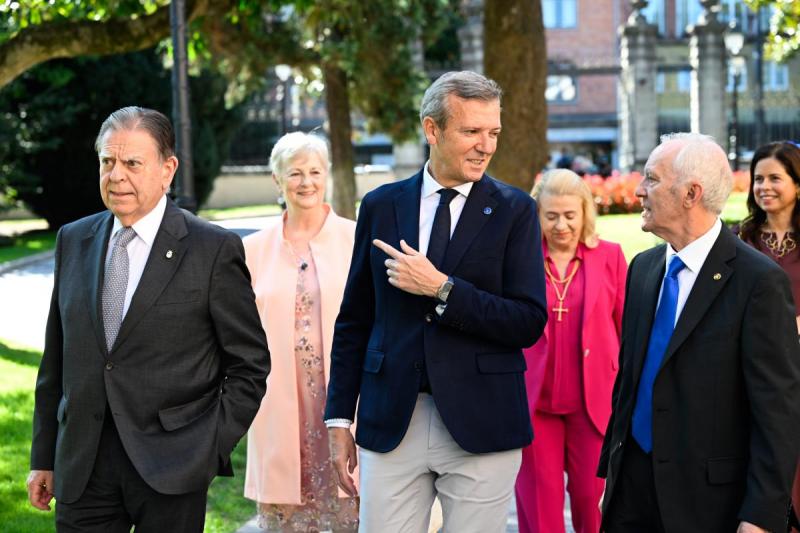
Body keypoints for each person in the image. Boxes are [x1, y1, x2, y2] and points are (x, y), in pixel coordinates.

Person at [323, 70, 548, 532]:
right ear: (432, 129)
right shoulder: (381, 205)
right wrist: (339, 418)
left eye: (494, 133)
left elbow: (528, 321)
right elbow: (354, 319)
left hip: (483, 422)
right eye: (471, 132)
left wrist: (443, 289)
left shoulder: (516, 210)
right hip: (392, 421)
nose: (486, 146)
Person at [28, 106, 271, 532]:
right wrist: (43, 457)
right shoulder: (73, 240)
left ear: (167, 169)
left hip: (173, 467)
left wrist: (208, 448)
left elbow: (249, 366)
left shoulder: (212, 249)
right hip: (82, 465)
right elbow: (56, 361)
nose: (116, 175)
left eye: (132, 163)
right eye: (108, 161)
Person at [598, 133, 800, 533]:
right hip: (631, 492)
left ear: (691, 193)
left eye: (652, 179)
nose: (639, 190)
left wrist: (760, 514)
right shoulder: (642, 268)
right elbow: (629, 383)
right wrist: (612, 475)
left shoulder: (758, 282)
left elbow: (776, 412)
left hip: (708, 503)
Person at [242, 132, 358, 531]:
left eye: (315, 172)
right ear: (277, 180)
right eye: (295, 173)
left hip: (346, 400)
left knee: (351, 509)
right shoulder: (252, 250)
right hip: (278, 404)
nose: (306, 182)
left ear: (326, 175)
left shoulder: (355, 238)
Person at [515, 169, 626, 533]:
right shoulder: (519, 261)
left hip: (594, 404)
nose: (561, 225)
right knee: (540, 507)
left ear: (584, 213)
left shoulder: (610, 257)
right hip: (535, 403)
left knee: (591, 505)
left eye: (569, 215)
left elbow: (628, 329)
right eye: (551, 216)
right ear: (537, 216)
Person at [736, 140, 800, 531]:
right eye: (758, 179)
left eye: (775, 178)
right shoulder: (740, 240)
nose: (764, 187)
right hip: (752, 372)